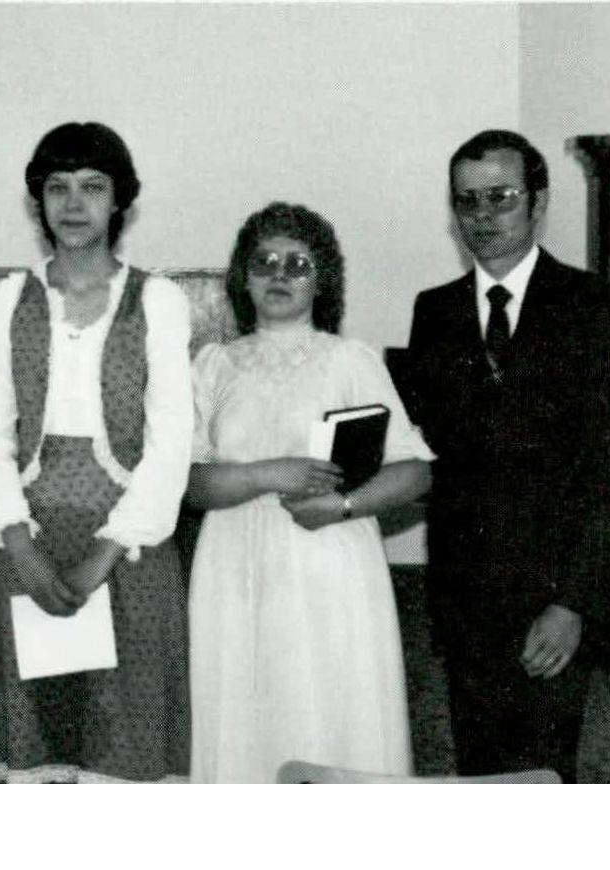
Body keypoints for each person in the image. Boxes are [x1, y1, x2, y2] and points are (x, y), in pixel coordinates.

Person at [404, 130, 610, 783]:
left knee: (543, 778)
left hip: (555, 600)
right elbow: (428, 454)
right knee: (477, 777)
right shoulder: (434, 312)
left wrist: (573, 603)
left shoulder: (595, 306)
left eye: (501, 197)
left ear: (538, 202)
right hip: (464, 602)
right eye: (467, 200)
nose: (482, 216)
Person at [185, 202, 433, 783]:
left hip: (329, 564)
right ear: (244, 278)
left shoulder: (350, 360)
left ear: (322, 280)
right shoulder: (214, 365)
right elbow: (190, 483)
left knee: (329, 712)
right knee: (245, 719)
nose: (279, 274)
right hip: (234, 569)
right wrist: (270, 473)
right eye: (264, 262)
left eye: (297, 264)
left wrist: (341, 505)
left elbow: (415, 471)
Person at [0, 122, 192, 783]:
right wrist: (19, 544)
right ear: (38, 200)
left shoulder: (158, 300)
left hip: (127, 545)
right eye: (58, 188)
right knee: (39, 741)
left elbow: (171, 441)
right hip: (29, 542)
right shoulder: (9, 298)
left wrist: (107, 551)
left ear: (119, 199)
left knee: (120, 747)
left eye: (92, 187)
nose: (73, 204)